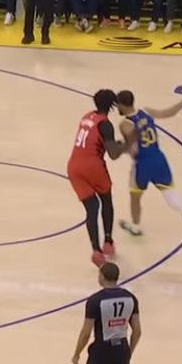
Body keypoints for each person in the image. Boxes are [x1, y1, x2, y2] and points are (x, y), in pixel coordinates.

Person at [114, 90, 182, 248]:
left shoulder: (125, 125)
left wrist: (119, 148)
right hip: (159, 160)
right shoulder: (146, 112)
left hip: (142, 164)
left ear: (121, 105)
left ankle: (136, 228)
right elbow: (168, 112)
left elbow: (133, 149)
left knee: (135, 197)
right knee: (172, 197)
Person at [72, 262, 141, 364]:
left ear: (102, 276)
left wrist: (77, 353)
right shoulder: (131, 298)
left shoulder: (95, 300)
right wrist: (129, 351)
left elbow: (86, 333)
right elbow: (137, 331)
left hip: (101, 351)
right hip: (121, 348)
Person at [67, 89, 127, 266]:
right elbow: (113, 154)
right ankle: (108, 241)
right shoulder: (106, 125)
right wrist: (125, 145)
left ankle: (96, 250)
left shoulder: (86, 117)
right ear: (112, 105)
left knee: (91, 208)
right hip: (93, 165)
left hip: (74, 166)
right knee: (106, 199)